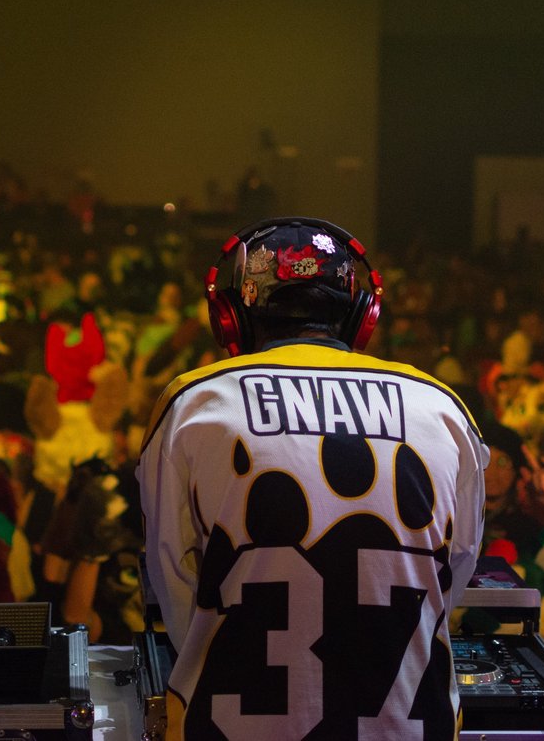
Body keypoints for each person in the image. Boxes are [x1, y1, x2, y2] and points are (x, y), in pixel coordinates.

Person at [138, 217, 488, 740]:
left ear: (230, 316)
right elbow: (454, 571)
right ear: (362, 316)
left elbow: (176, 580)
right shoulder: (442, 408)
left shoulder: (196, 403)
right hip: (406, 723)